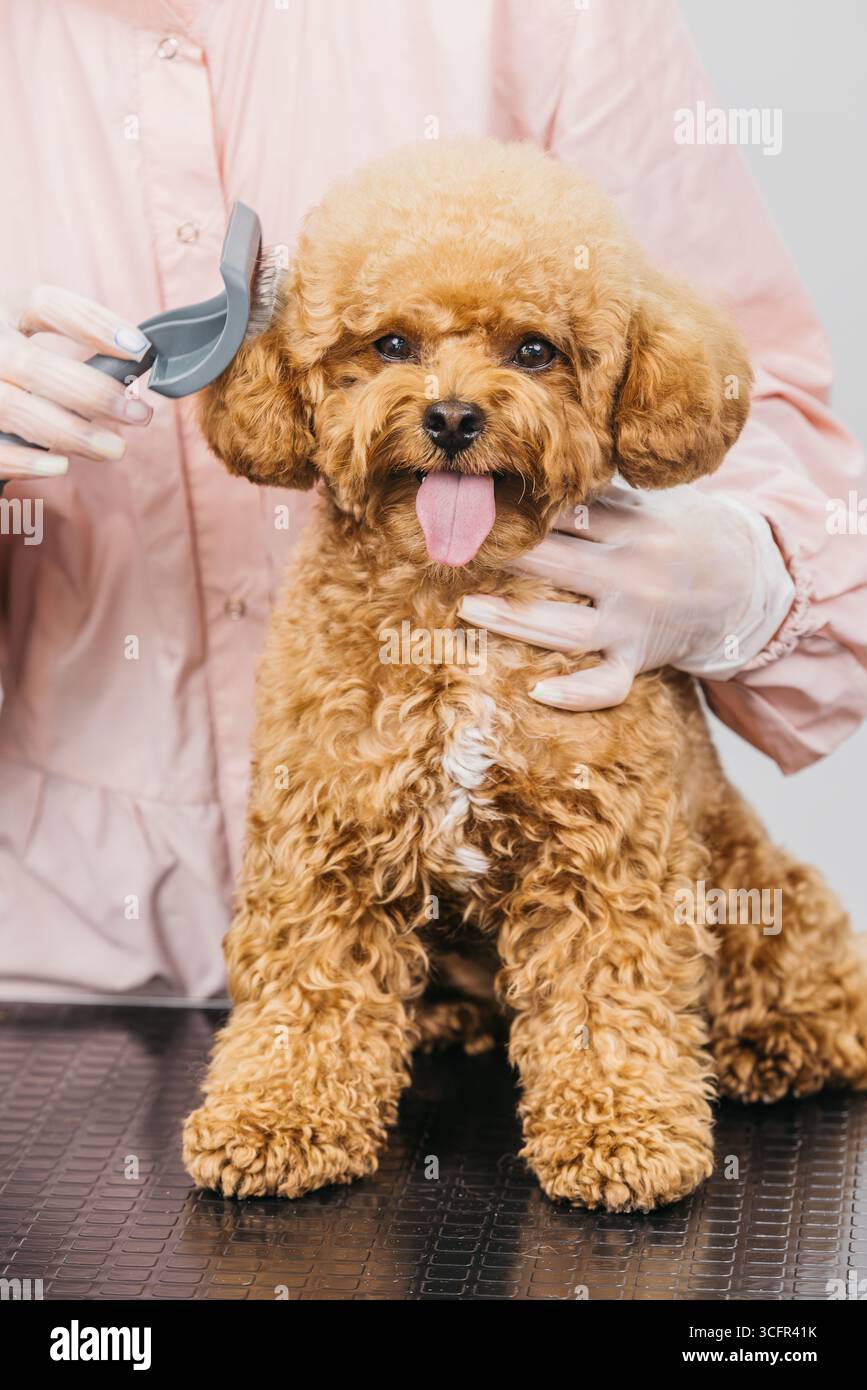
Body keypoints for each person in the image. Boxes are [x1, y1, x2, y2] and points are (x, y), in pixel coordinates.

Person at [0, 0, 864, 1000]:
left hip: (515, 975)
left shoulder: (550, 17)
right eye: (395, 346)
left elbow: (742, 395)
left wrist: (746, 574)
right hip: (53, 968)